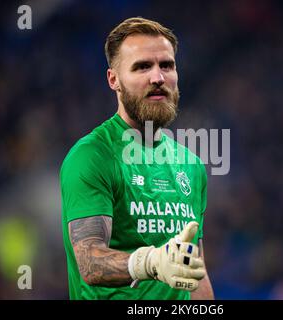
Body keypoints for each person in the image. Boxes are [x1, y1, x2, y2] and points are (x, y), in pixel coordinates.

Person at [60, 17, 214, 300]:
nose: (158, 78)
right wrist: (151, 263)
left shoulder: (191, 165)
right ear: (114, 80)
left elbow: (194, 271)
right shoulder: (92, 156)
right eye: (142, 67)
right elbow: (90, 262)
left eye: (166, 65)